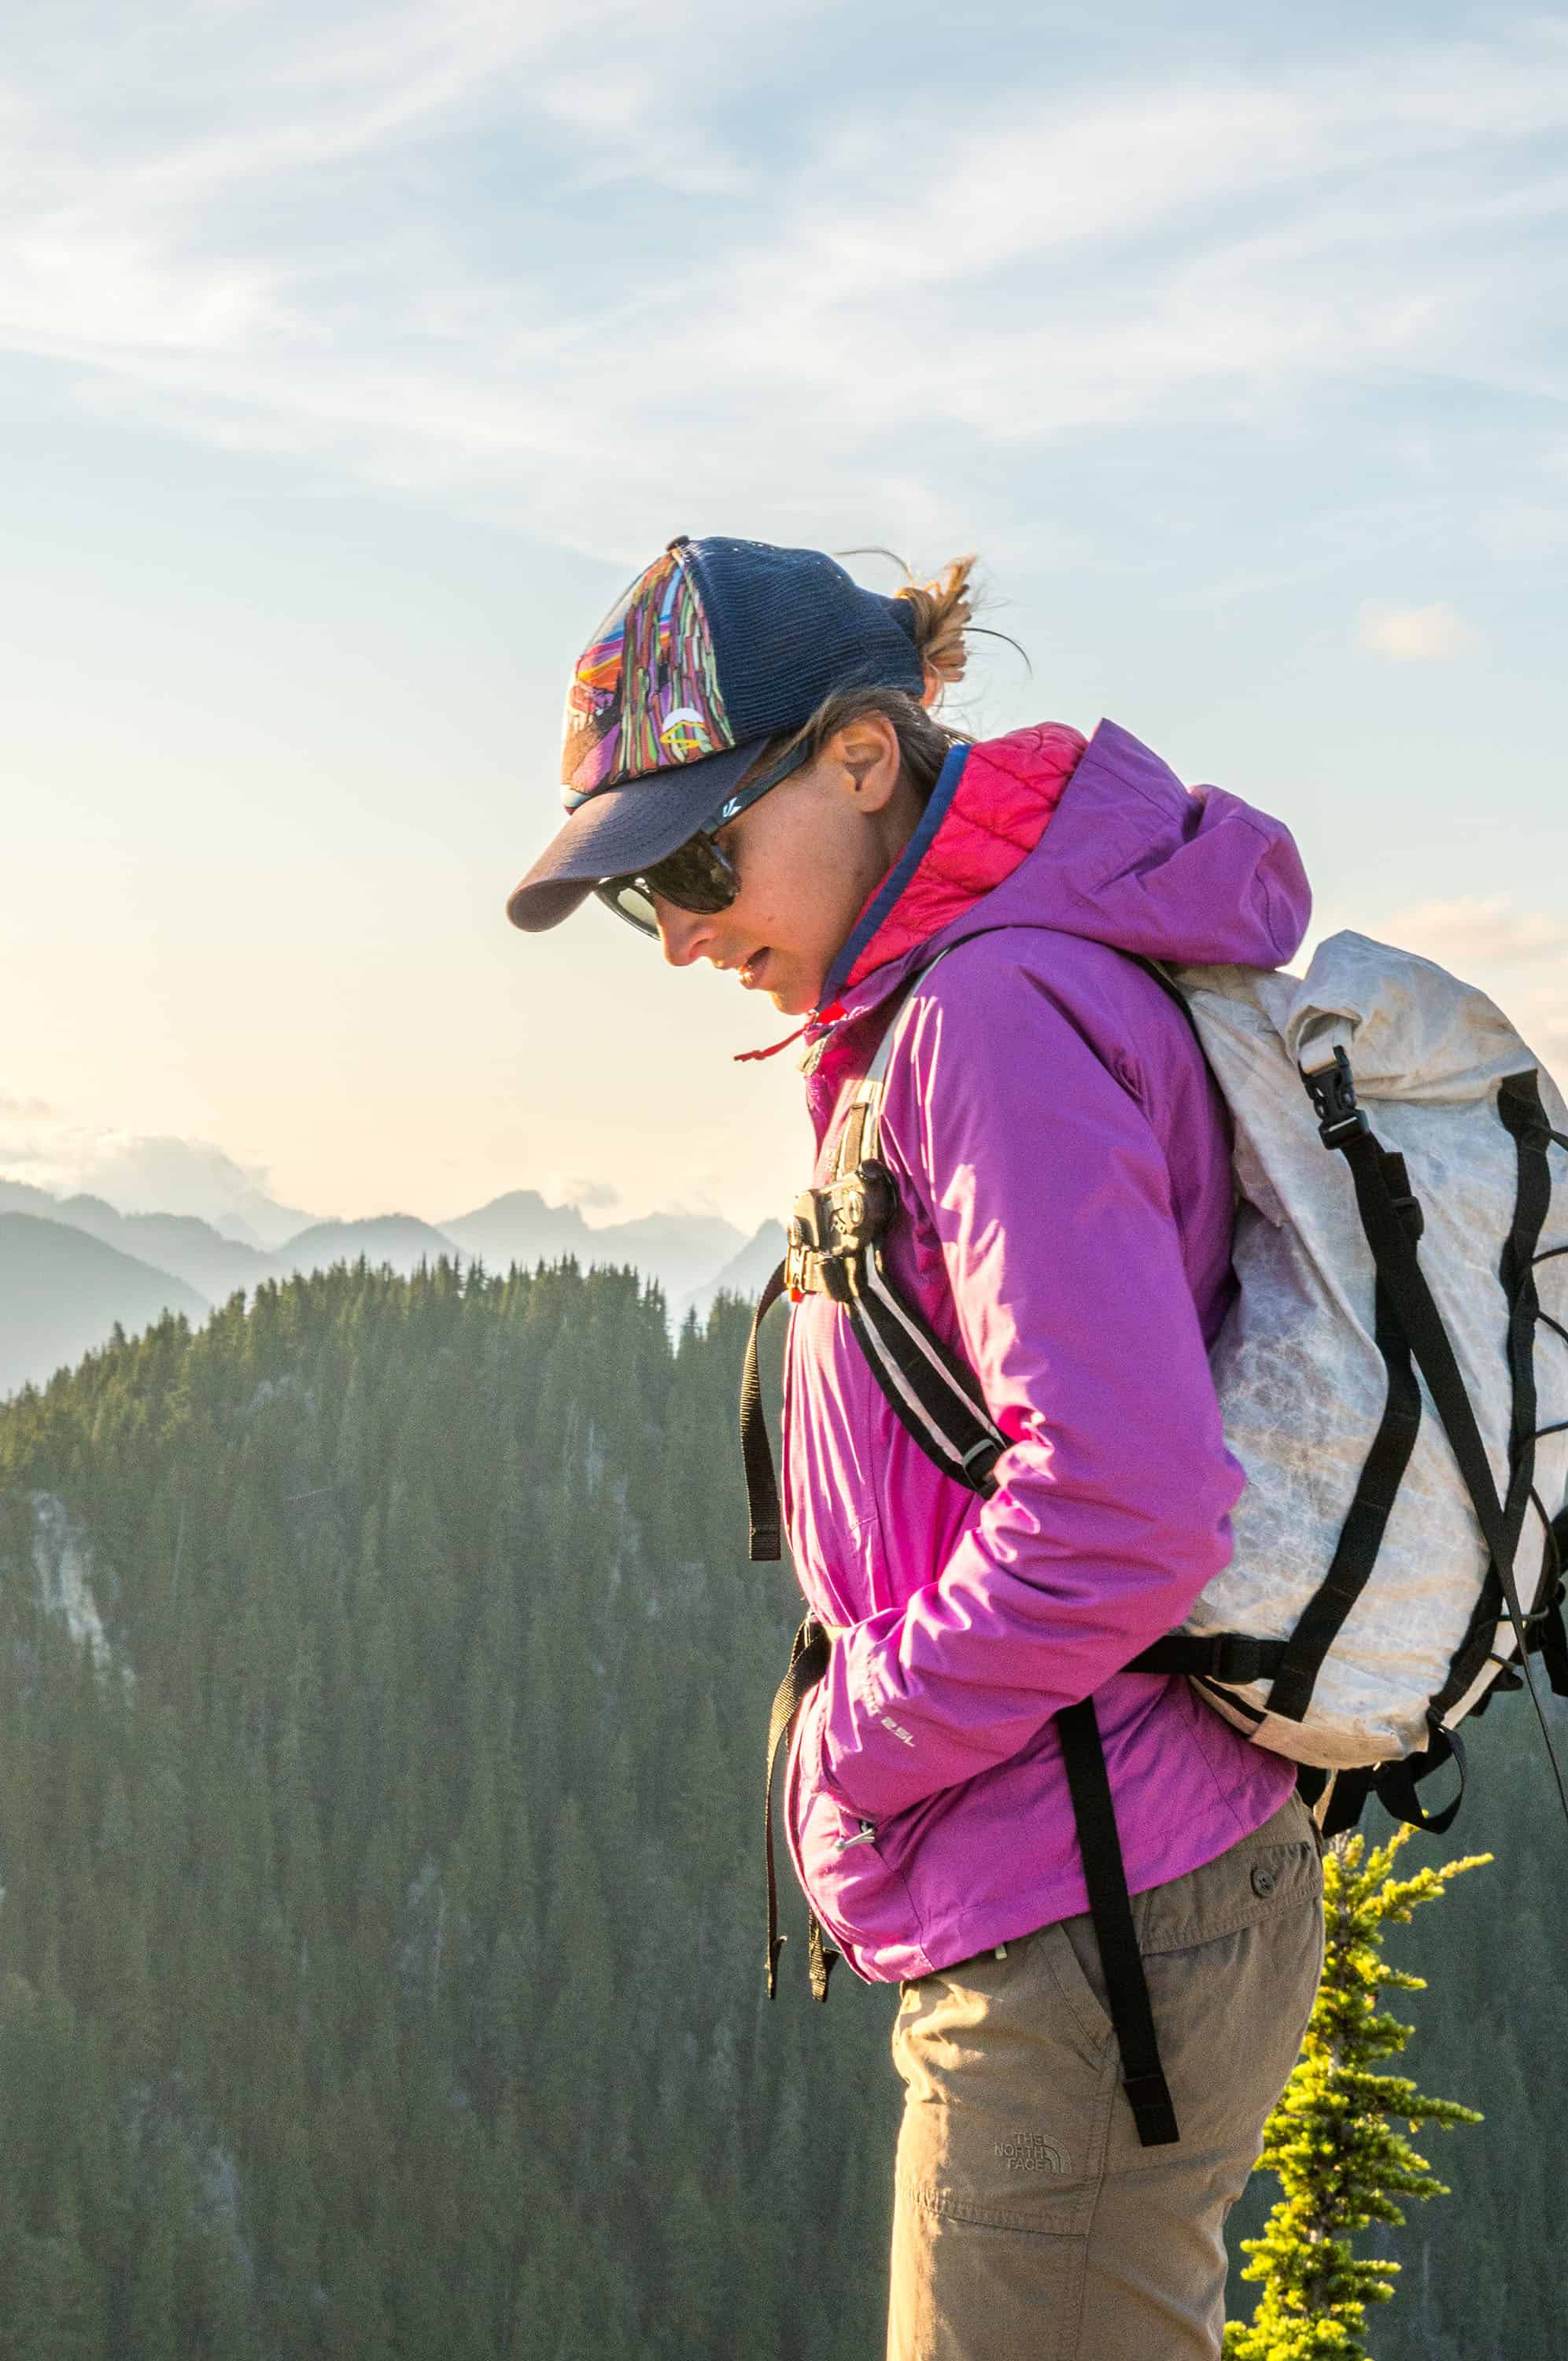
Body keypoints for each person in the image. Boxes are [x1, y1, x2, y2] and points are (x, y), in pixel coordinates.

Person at [507, 534, 1324, 2359]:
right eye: (645, 901)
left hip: (1086, 1910)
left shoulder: (987, 1019)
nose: (684, 936)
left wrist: (859, 1752)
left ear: (863, 758)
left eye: (696, 864)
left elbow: (1125, 1505)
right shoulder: (956, 998)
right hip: (1092, 1874)